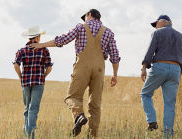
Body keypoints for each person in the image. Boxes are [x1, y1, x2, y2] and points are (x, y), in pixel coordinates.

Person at [30, 9, 121, 137]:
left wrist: (41, 45)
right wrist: (115, 75)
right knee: (95, 105)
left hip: (82, 67)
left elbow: (62, 40)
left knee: (72, 97)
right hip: (99, 70)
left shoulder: (80, 27)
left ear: (89, 15)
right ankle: (92, 136)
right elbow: (115, 56)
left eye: (85, 17)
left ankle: (79, 116)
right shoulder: (109, 32)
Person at [140, 14, 182, 137]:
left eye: (156, 24)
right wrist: (179, 72)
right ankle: (168, 135)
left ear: (162, 22)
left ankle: (151, 121)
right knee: (170, 104)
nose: (155, 27)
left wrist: (144, 67)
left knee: (145, 94)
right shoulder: (181, 36)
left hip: (159, 67)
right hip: (176, 69)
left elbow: (150, 51)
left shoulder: (157, 33)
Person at [13, 26, 53, 139]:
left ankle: (27, 134)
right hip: (38, 83)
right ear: (37, 37)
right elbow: (49, 67)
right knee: (33, 108)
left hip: (25, 83)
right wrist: (43, 77)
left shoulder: (22, 50)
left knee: (27, 109)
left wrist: (21, 77)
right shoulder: (44, 50)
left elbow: (16, 65)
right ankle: (30, 135)